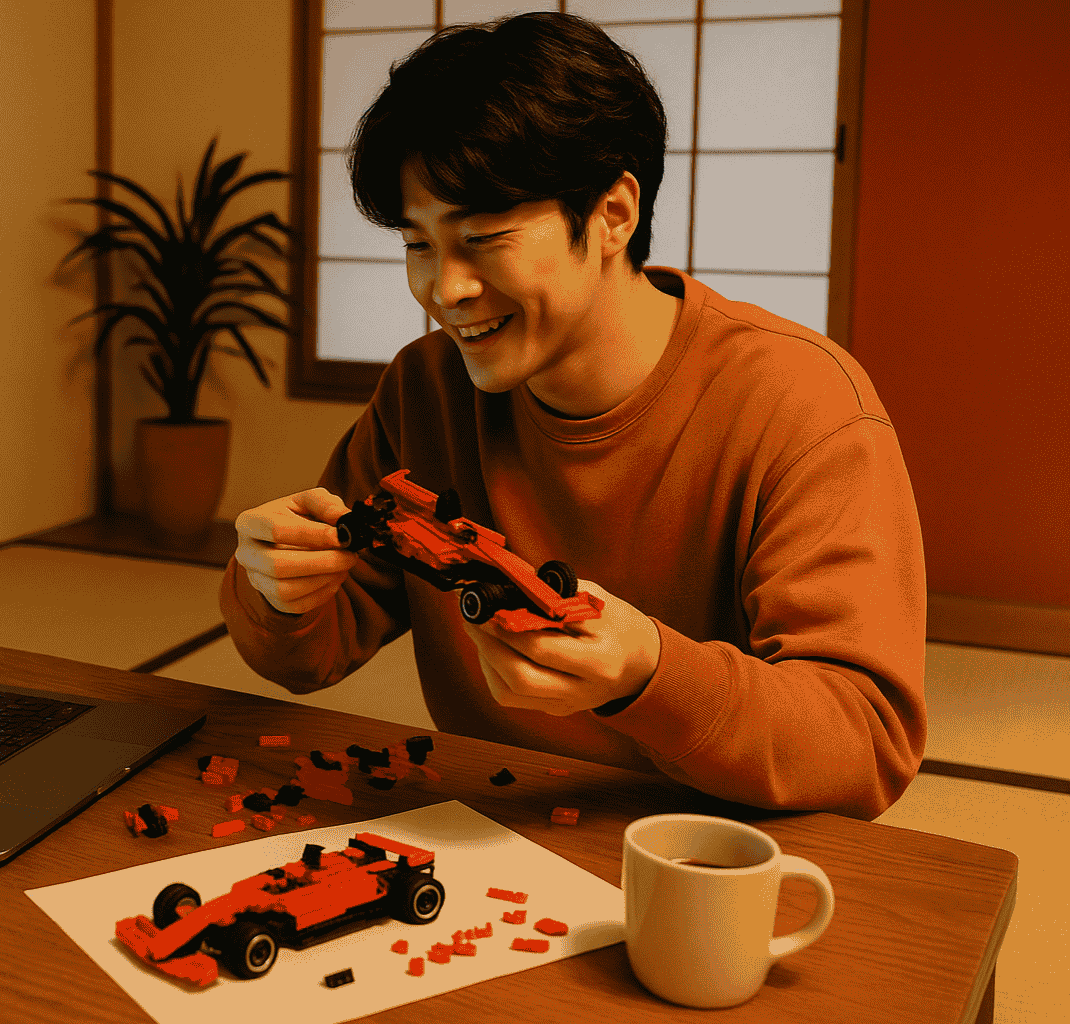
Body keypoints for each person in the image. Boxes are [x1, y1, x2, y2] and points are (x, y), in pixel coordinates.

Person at [219, 12, 925, 820]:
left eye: (483, 237)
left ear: (614, 212)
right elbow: (313, 654)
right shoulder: (427, 387)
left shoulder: (804, 406)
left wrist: (650, 674)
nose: (443, 291)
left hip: (715, 854)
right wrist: (281, 590)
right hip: (493, 829)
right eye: (419, 244)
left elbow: (863, 742)